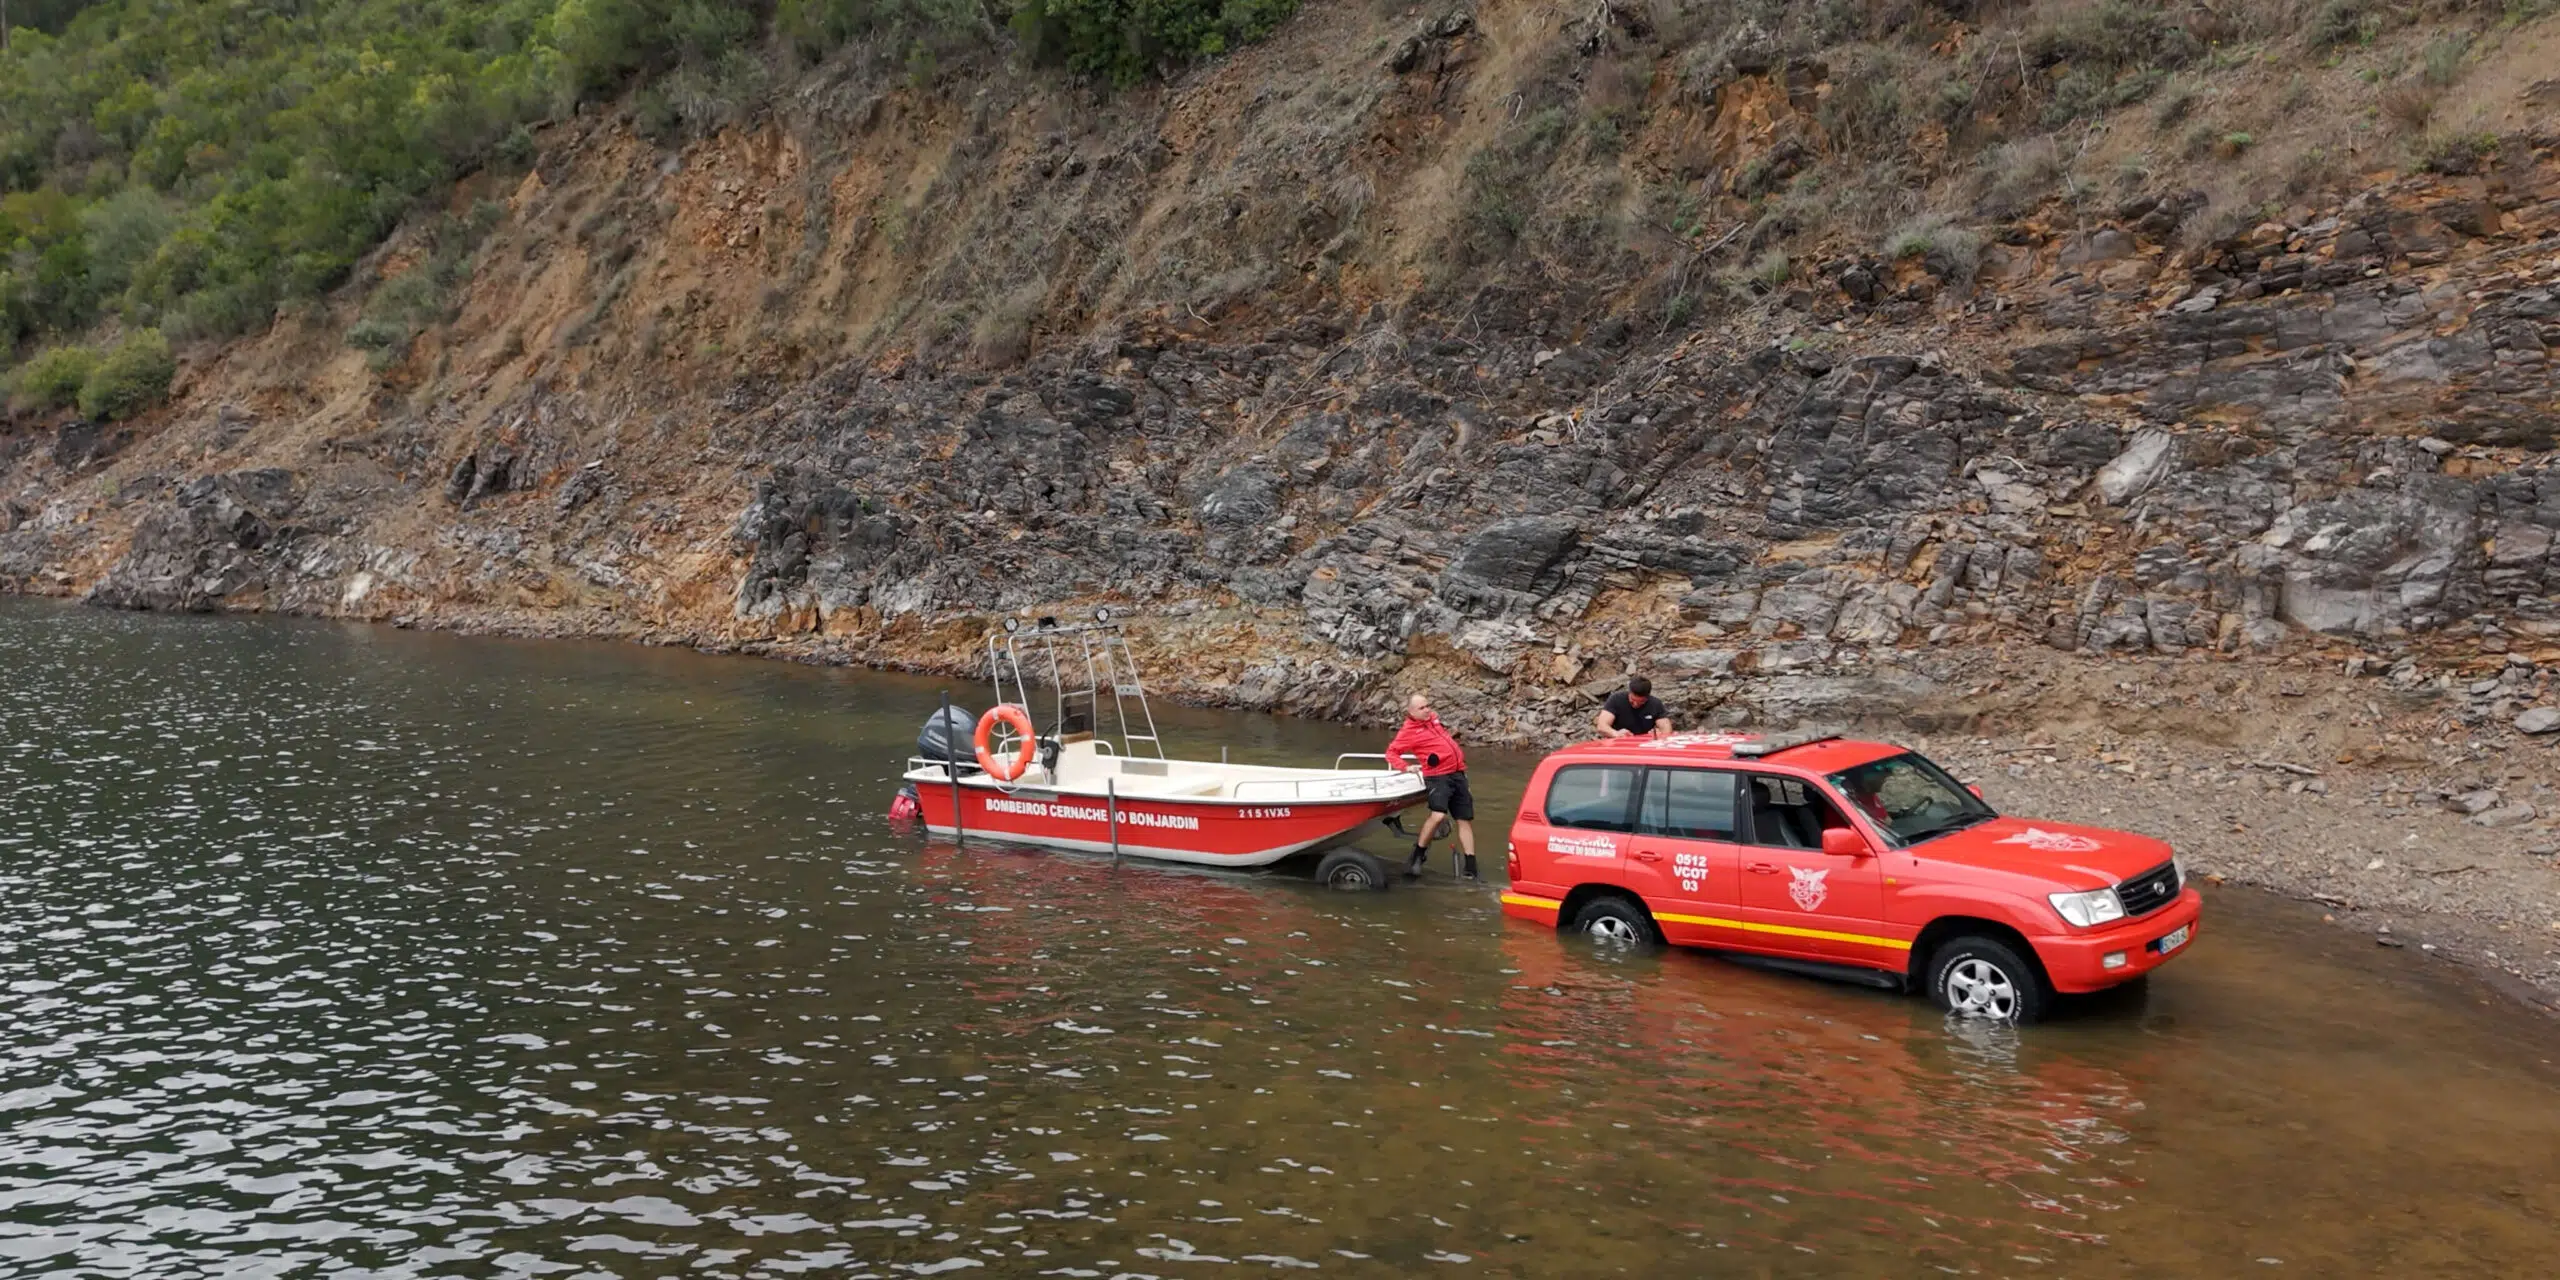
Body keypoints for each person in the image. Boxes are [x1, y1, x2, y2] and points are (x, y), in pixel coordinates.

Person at [1385, 692, 1477, 880]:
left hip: (1458, 773)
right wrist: (1406, 767)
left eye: (1428, 706)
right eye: (1422, 708)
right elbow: (1391, 753)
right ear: (1411, 712)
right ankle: (1419, 853)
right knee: (1438, 816)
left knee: (1464, 819)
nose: (1427, 710)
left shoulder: (1434, 720)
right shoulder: (1408, 731)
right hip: (1437, 777)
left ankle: (1471, 866)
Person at [1596, 676, 1673, 739]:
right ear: (1630, 692)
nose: (1636, 704)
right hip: (1618, 743)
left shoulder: (1655, 704)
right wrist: (1616, 733)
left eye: (1641, 702)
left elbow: (1666, 728)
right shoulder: (1616, 699)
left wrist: (1661, 734)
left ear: (1647, 697)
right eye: (1632, 700)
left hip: (1644, 743)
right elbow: (1601, 726)